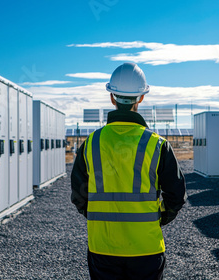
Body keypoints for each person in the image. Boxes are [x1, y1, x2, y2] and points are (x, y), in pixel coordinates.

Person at [71, 62, 186, 280]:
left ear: (112, 97)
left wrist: (97, 217)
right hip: (146, 247)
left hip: (102, 247)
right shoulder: (157, 145)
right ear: (141, 98)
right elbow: (176, 196)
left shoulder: (91, 143)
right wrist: (156, 218)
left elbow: (79, 194)